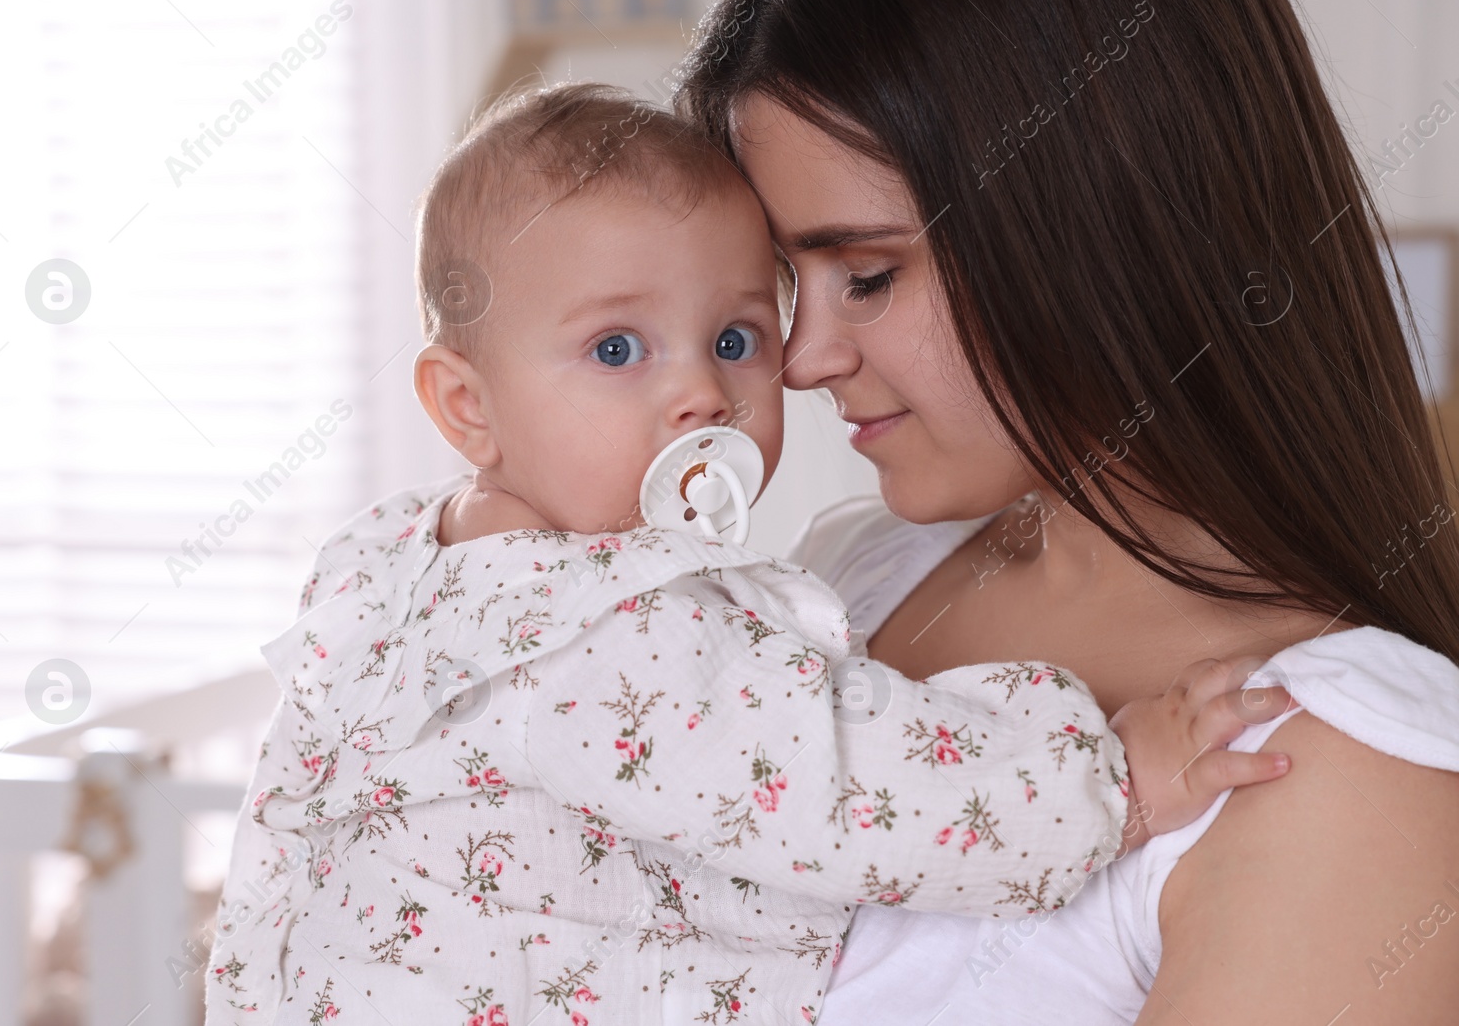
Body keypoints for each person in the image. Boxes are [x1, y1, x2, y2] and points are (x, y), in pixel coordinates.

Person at [201, 83, 1290, 1025]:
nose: (701, 392)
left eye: (734, 338)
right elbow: (851, 783)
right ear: (465, 405)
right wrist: (1109, 784)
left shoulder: (387, 574)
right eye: (616, 348)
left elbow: (280, 845)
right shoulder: (616, 627)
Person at [675, 0, 1459, 1021]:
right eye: (783, 283)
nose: (802, 358)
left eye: (865, 274)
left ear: (1104, 218)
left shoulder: (1331, 771)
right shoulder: (847, 583)